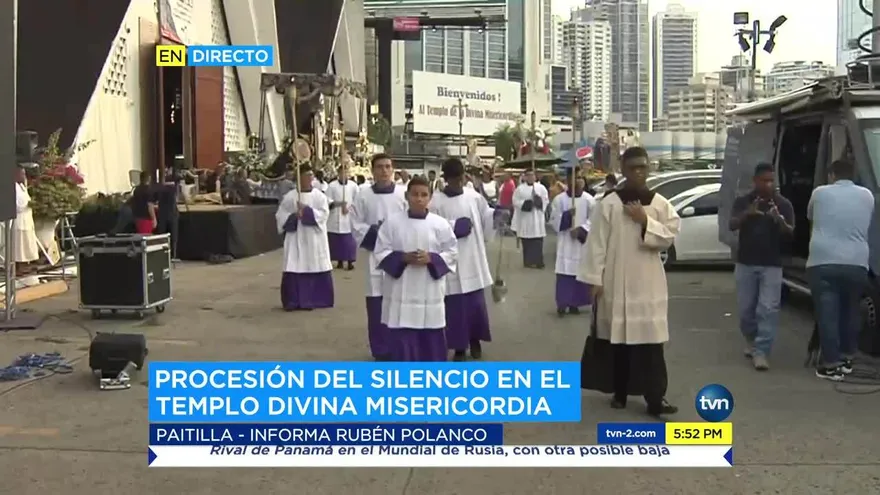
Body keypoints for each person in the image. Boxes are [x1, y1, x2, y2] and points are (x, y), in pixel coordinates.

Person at [578, 146, 681, 418]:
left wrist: (645, 219)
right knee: (619, 341)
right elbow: (596, 245)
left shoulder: (658, 203)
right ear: (623, 170)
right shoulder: (610, 203)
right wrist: (594, 279)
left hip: (648, 284)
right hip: (615, 281)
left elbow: (669, 236)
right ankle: (620, 393)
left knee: (651, 344)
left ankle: (655, 399)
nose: (639, 172)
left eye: (643, 167)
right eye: (633, 167)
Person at [374, 176, 458, 361]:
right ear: (406, 196)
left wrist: (431, 258)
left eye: (423, 195)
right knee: (403, 336)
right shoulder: (392, 223)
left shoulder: (440, 224)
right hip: (401, 290)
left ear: (430, 197)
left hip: (429, 290)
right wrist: (403, 257)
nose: (419, 199)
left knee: (431, 335)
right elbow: (380, 251)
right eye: (414, 194)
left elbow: (452, 252)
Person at [806, 159, 874, 380]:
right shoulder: (867, 195)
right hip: (857, 262)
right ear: (852, 175)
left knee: (828, 313)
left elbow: (810, 216)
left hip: (823, 261)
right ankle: (846, 359)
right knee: (850, 311)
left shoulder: (820, 193)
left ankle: (831, 364)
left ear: (832, 174)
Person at [728, 163, 795, 371]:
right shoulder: (743, 201)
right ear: (755, 181)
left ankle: (762, 351)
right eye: (764, 180)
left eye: (771, 181)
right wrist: (748, 214)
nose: (768, 184)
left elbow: (791, 232)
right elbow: (731, 225)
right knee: (747, 310)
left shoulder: (783, 204)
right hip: (746, 262)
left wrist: (780, 221)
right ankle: (751, 339)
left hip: (772, 265)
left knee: (767, 308)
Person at [430, 158, 495, 361]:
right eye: (454, 179)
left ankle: (475, 340)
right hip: (452, 262)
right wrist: (453, 227)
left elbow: (486, 217)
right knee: (455, 308)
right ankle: (459, 347)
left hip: (473, 257)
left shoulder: (473, 197)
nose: (458, 183)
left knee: (475, 305)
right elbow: (432, 229)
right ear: (446, 179)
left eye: (461, 178)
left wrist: (498, 216)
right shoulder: (436, 202)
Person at [350, 154, 408, 361]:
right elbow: (355, 224)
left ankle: (400, 346)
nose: (384, 171)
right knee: (377, 305)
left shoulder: (403, 194)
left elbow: (411, 221)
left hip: (399, 255)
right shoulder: (363, 195)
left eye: (388, 166)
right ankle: (381, 349)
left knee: (400, 302)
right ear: (372, 171)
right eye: (380, 167)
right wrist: (376, 231)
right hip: (375, 257)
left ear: (393, 169)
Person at [274, 166, 334, 311]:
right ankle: (293, 301)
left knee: (314, 263)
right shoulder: (290, 197)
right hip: (296, 237)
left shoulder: (319, 196)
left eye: (311, 176)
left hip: (314, 238)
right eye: (306, 176)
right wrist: (294, 216)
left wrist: (307, 212)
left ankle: (316, 300)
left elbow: (324, 215)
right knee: (294, 264)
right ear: (299, 178)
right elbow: (280, 216)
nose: (310, 179)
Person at [551, 175, 594, 316]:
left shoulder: (589, 200)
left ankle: (575, 303)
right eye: (574, 179)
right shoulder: (559, 199)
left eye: (581, 179)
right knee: (564, 274)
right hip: (565, 243)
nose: (577, 182)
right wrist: (567, 216)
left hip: (581, 243)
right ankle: (562, 304)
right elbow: (553, 220)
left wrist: (582, 230)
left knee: (579, 274)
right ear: (569, 182)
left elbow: (594, 219)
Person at [325, 165, 360, 270]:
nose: (344, 175)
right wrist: (338, 204)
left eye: (346, 172)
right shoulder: (332, 186)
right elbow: (327, 200)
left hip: (348, 216)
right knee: (336, 241)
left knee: (349, 242)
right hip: (335, 215)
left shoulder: (353, 186)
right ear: (338, 174)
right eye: (342, 173)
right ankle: (339, 260)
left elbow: (357, 200)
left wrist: (349, 208)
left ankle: (349, 261)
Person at [512, 170, 549, 268]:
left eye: (532, 175)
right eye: (528, 175)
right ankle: (528, 261)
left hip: (537, 218)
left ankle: (538, 262)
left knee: (537, 241)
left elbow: (546, 200)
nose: (530, 177)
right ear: (525, 177)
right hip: (526, 218)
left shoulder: (541, 188)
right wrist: (525, 204)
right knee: (527, 241)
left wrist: (539, 202)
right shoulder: (520, 189)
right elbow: (515, 201)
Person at [12, 168, 39, 266]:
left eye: (24, 174)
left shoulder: (22, 186)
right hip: (19, 220)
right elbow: (17, 205)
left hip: (27, 220)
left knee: (27, 244)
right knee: (19, 246)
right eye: (22, 174)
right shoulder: (13, 187)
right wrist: (28, 203)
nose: (24, 176)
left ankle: (26, 264)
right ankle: (19, 266)